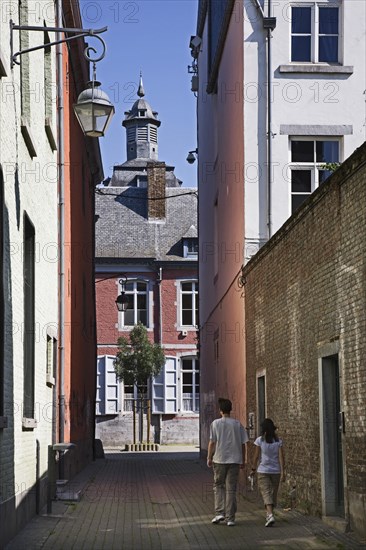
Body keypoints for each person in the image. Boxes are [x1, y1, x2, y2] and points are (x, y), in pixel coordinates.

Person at [207, 397, 249, 526]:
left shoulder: (215, 424)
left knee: (218, 486)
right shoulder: (237, 424)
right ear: (230, 410)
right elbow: (244, 444)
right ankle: (230, 518)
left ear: (220, 410)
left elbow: (212, 442)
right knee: (231, 488)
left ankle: (220, 513)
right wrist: (243, 459)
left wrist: (209, 457)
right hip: (235, 460)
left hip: (219, 459)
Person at [251, 418, 285, 527]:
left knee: (266, 493)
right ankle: (269, 514)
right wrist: (283, 472)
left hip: (263, 470)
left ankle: (270, 515)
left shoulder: (260, 440)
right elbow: (281, 457)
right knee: (273, 493)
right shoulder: (278, 441)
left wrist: (253, 468)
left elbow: (256, 456)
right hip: (276, 471)